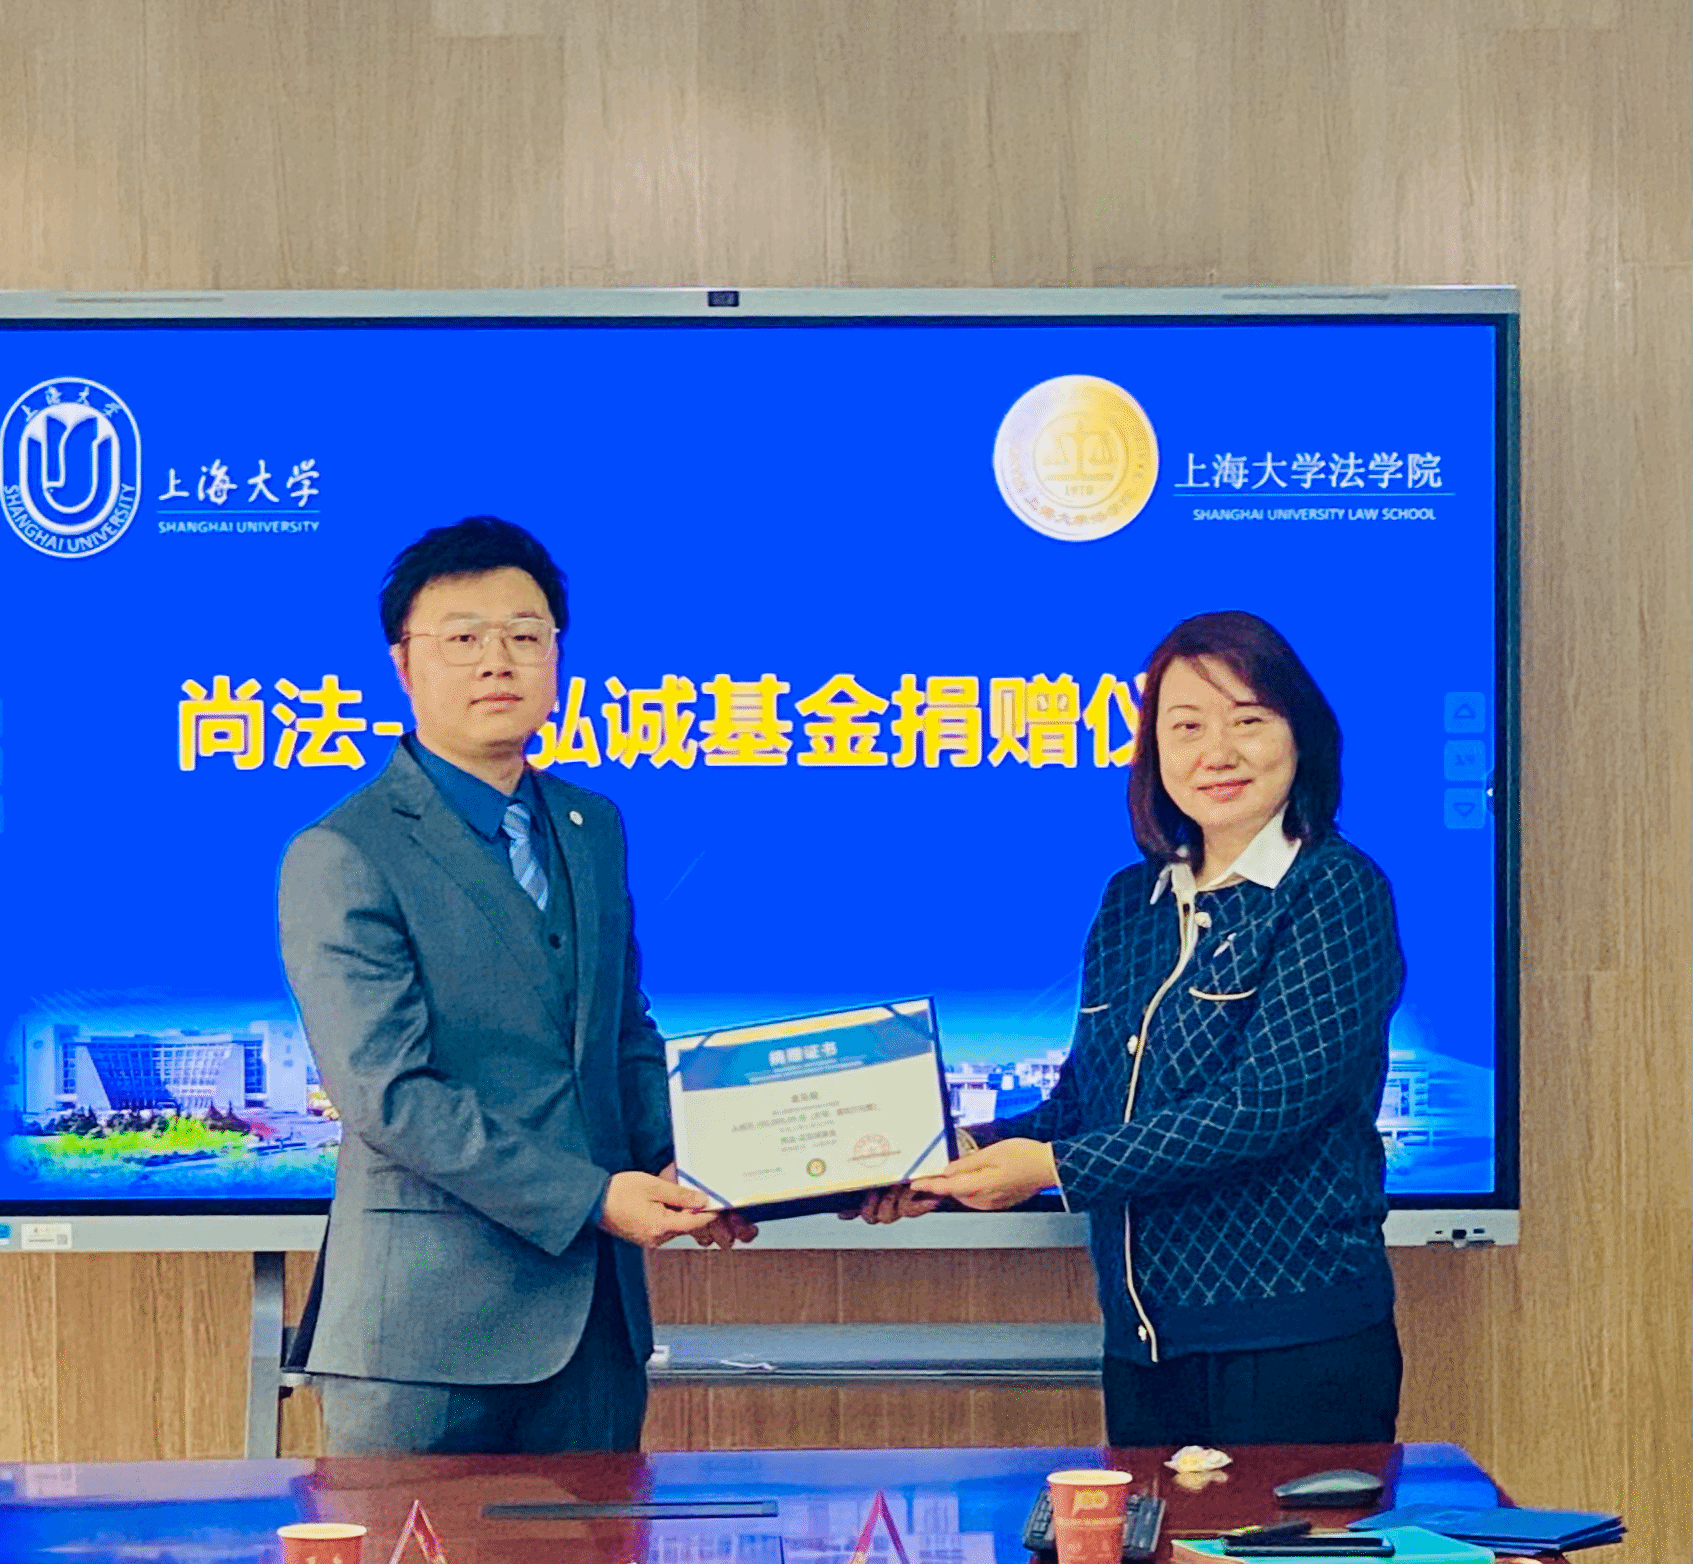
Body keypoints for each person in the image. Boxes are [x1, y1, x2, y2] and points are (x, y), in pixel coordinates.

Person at [857, 610, 1405, 1446]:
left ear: (1302, 734)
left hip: (1295, 1339)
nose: (1217, 752)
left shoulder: (1334, 888)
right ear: (1152, 751)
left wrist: (1052, 1168)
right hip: (1145, 1345)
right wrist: (944, 1157)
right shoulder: (1131, 902)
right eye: (1185, 727)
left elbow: (1266, 1104)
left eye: (1248, 721)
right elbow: (1083, 1104)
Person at [279, 516, 751, 1456]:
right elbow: (390, 1096)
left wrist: (693, 1165)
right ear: (404, 665)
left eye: (525, 635)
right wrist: (593, 1198)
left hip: (596, 1331)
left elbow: (622, 1035)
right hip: (423, 1337)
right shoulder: (343, 852)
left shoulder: (590, 825)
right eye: (463, 637)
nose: (498, 661)